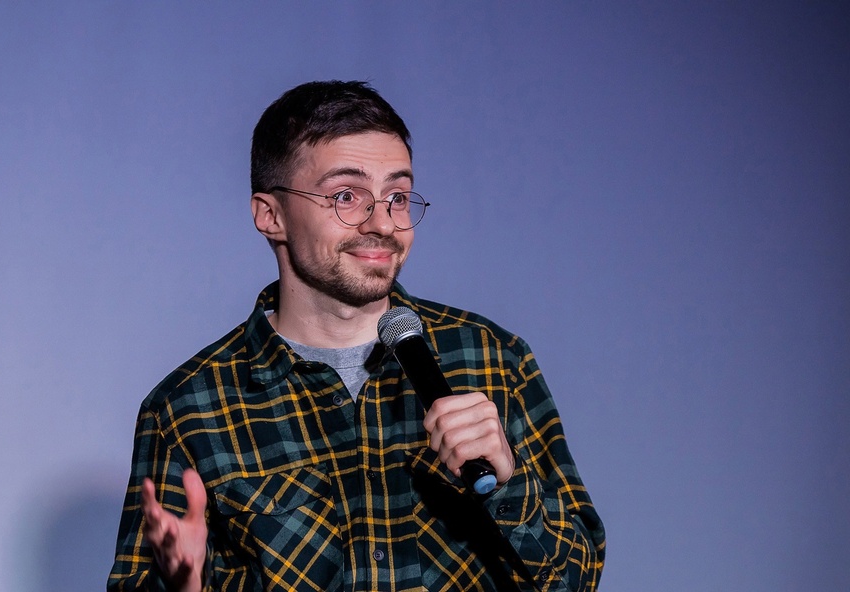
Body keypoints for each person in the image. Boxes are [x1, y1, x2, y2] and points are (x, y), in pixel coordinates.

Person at [108, 80, 605, 592]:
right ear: (270, 215)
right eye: (346, 196)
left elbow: (578, 578)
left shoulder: (494, 359)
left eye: (397, 196)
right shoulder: (186, 410)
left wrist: (509, 484)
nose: (384, 224)